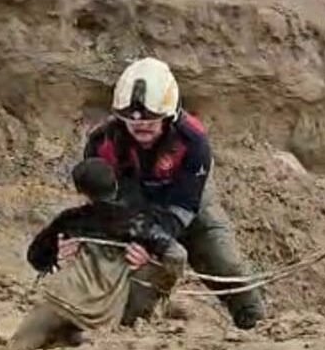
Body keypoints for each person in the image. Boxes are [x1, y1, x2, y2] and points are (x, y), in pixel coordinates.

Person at [80, 57, 265, 330]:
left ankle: (257, 326)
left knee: (227, 264)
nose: (140, 124)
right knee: (140, 277)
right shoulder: (101, 145)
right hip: (135, 210)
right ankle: (127, 329)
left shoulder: (193, 142)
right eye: (130, 119)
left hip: (190, 203)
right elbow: (102, 205)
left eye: (151, 118)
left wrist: (158, 240)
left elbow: (185, 206)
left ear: (169, 114)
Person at [7, 158, 187, 350]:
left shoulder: (70, 220)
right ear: (115, 185)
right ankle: (75, 338)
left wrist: (57, 257)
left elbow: (36, 256)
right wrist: (160, 279)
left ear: (82, 193)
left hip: (59, 300)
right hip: (102, 316)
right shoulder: (137, 222)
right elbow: (177, 255)